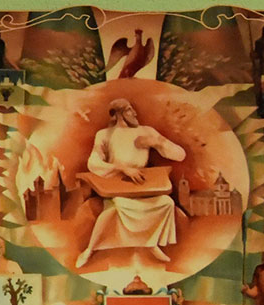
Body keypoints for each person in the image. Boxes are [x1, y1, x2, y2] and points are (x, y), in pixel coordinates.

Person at [76, 99, 187, 268]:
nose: (135, 113)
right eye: (129, 110)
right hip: (117, 185)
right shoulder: (104, 135)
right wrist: (123, 168)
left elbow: (180, 155)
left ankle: (150, 243)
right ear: (119, 114)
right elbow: (93, 163)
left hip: (143, 185)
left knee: (166, 203)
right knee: (118, 207)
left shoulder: (146, 131)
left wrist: (159, 142)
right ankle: (90, 250)